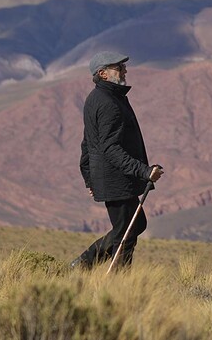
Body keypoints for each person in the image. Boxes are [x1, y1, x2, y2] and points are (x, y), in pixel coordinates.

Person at [71, 51, 164, 269]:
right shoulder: (108, 103)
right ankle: (114, 279)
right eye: (118, 67)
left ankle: (84, 265)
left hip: (111, 177)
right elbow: (109, 148)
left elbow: (88, 143)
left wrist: (89, 179)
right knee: (126, 232)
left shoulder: (101, 98)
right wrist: (143, 171)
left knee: (136, 224)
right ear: (102, 74)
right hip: (115, 178)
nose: (124, 70)